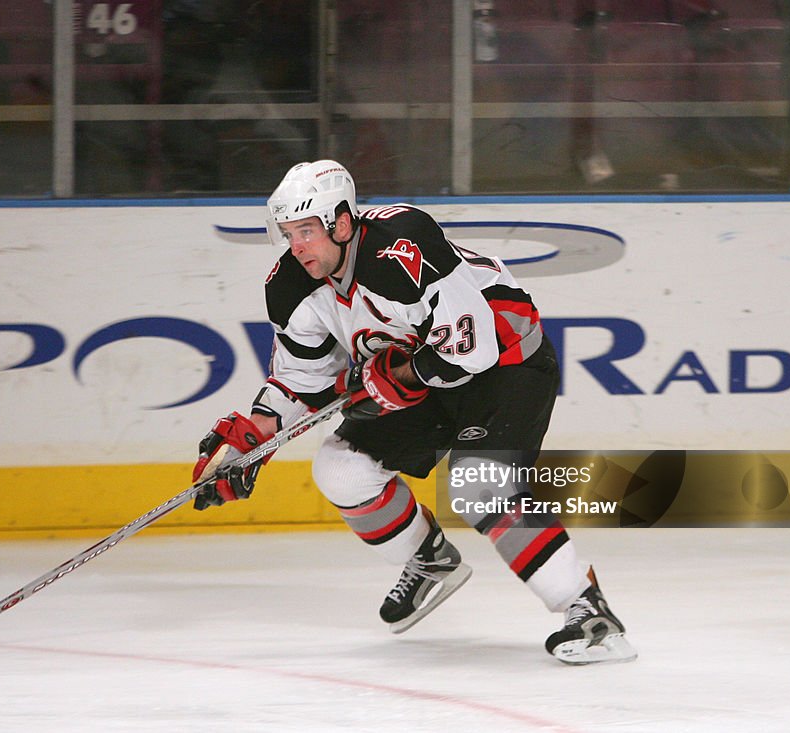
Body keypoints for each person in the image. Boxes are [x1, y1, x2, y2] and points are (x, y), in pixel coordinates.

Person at [191, 160, 636, 665]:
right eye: (289, 233)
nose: (297, 246)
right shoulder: (290, 287)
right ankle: (429, 560)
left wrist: (397, 376)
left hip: (506, 363)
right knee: (342, 469)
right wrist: (251, 438)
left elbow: (473, 350)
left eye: (307, 231)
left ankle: (588, 612)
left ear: (341, 221)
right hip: (424, 378)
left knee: (479, 483)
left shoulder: (403, 243)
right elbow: (302, 380)